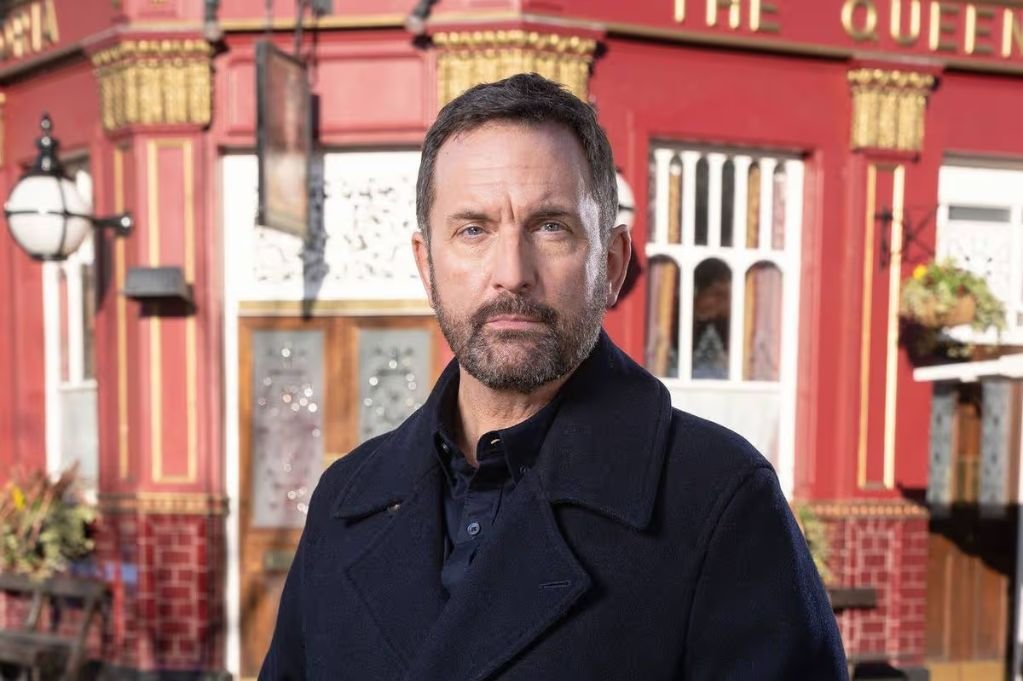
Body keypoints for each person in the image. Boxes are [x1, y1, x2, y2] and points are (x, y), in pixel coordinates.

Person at [259, 73, 847, 680]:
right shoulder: (344, 499)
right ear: (426, 266)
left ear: (611, 264)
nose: (512, 272)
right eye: (473, 230)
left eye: (550, 227)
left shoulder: (721, 499)